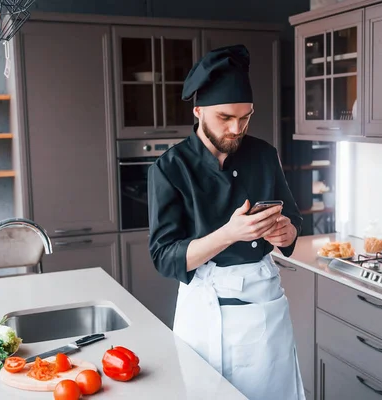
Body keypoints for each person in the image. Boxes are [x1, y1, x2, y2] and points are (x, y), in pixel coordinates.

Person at [147, 44, 306, 400]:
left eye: (245, 117)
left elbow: (293, 219)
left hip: (263, 305)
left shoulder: (264, 155)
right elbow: (165, 257)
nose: (237, 128)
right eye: (225, 118)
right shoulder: (170, 169)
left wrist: (286, 232)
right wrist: (229, 234)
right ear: (198, 110)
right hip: (203, 307)